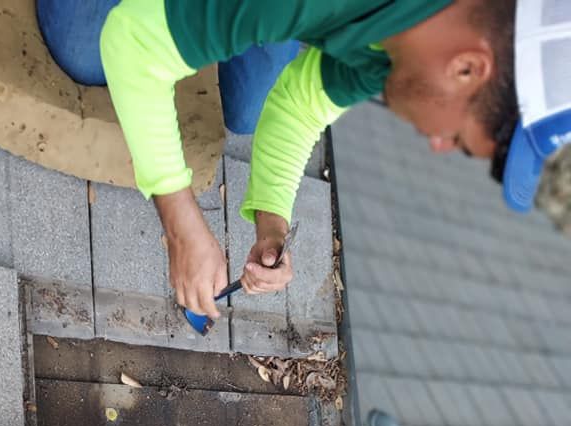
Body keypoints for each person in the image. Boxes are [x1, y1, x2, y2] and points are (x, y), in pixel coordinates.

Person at [34, 0, 533, 320]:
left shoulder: (397, 51)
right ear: (467, 67)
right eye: (458, 137)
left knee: (251, 105)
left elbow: (299, 106)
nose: (437, 144)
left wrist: (272, 225)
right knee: (89, 49)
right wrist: (181, 226)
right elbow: (133, 43)